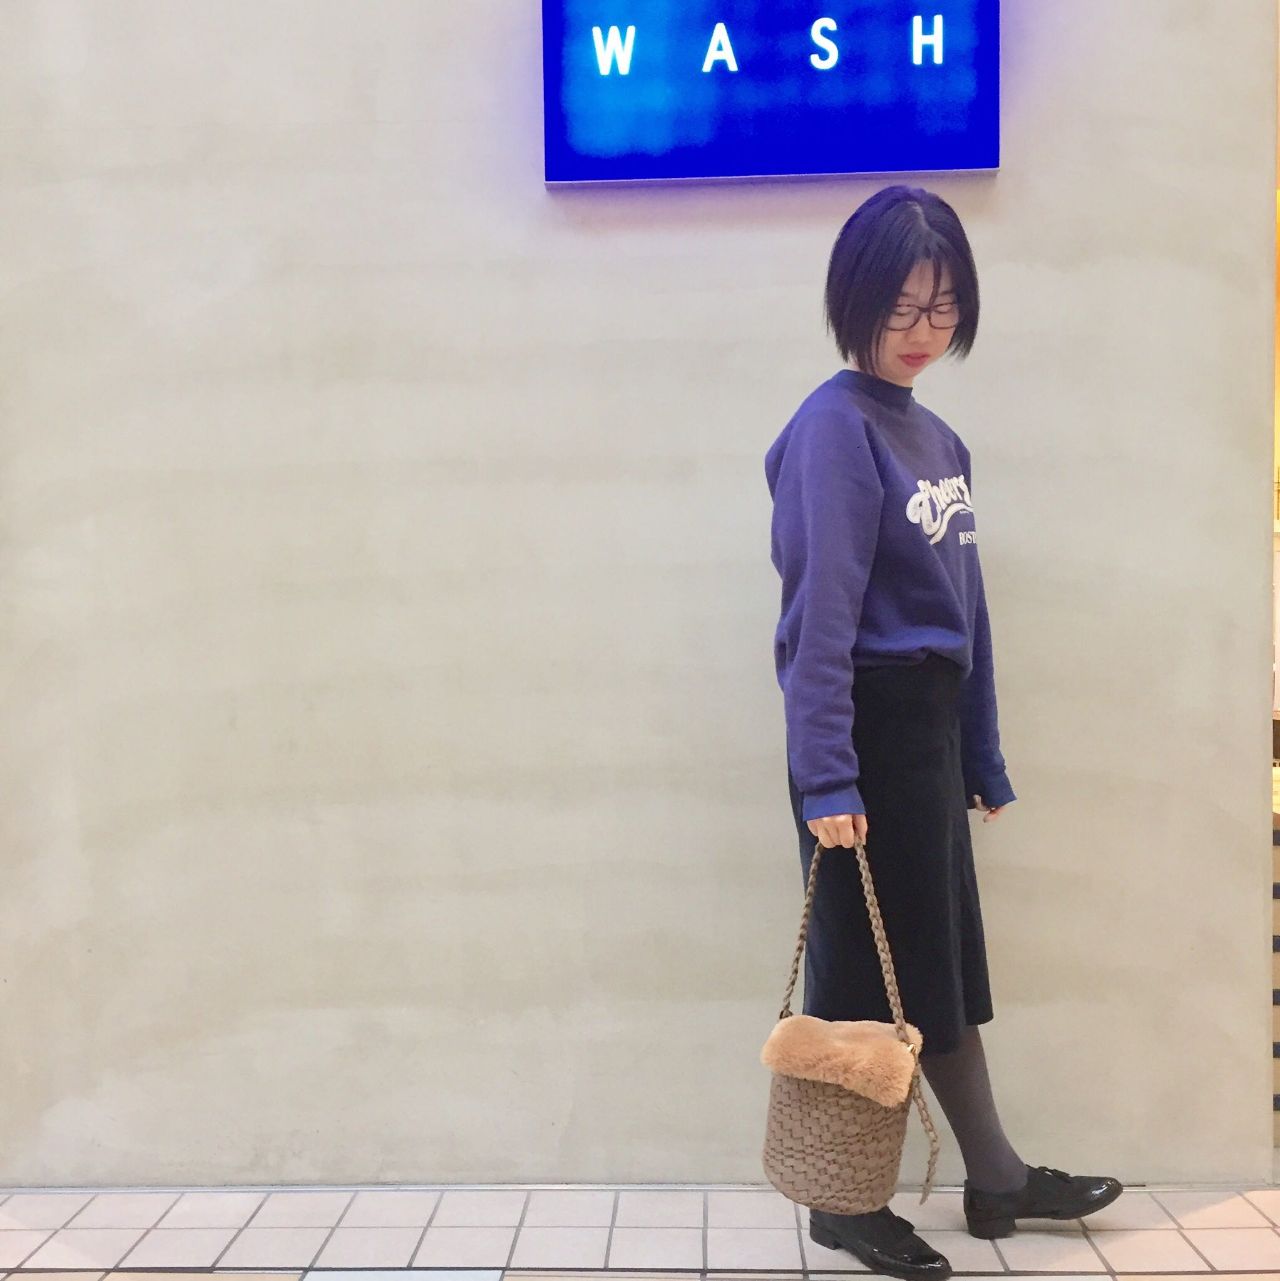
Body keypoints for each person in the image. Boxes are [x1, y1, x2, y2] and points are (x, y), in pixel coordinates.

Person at [763, 185, 1122, 1281]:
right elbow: (818, 620)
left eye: (943, 307)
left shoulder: (938, 437)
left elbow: (967, 616)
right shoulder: (832, 430)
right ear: (853, 301)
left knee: (938, 971)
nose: (922, 330)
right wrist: (827, 773)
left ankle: (996, 1178)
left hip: (922, 734)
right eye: (900, 308)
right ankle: (844, 1203)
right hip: (861, 732)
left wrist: (981, 751)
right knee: (865, 980)